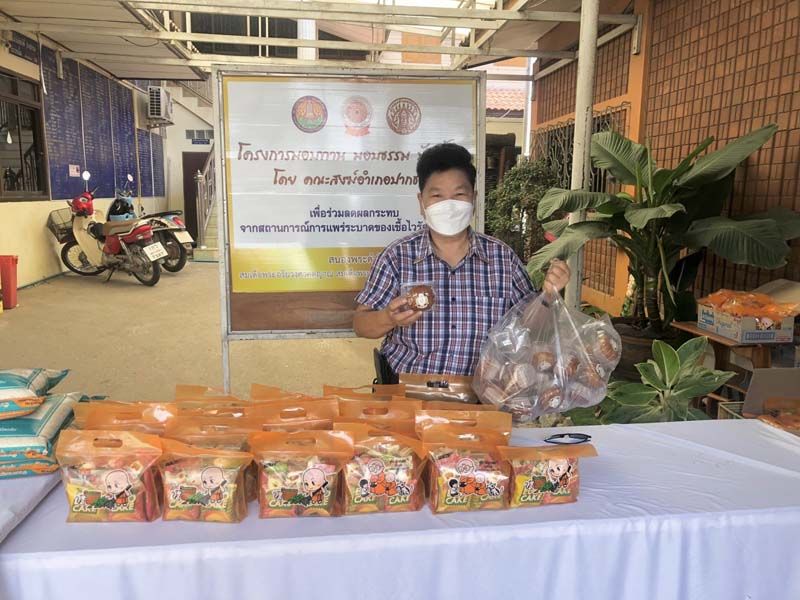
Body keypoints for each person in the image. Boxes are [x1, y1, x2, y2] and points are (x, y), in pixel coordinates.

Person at [353, 143, 570, 381]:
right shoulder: (397, 257)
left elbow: (530, 328)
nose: (449, 205)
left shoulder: (503, 259)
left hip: (481, 394)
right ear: (421, 202)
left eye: (459, 194)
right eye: (437, 196)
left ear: (473, 199)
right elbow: (361, 325)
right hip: (407, 393)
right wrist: (388, 318)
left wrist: (548, 295)